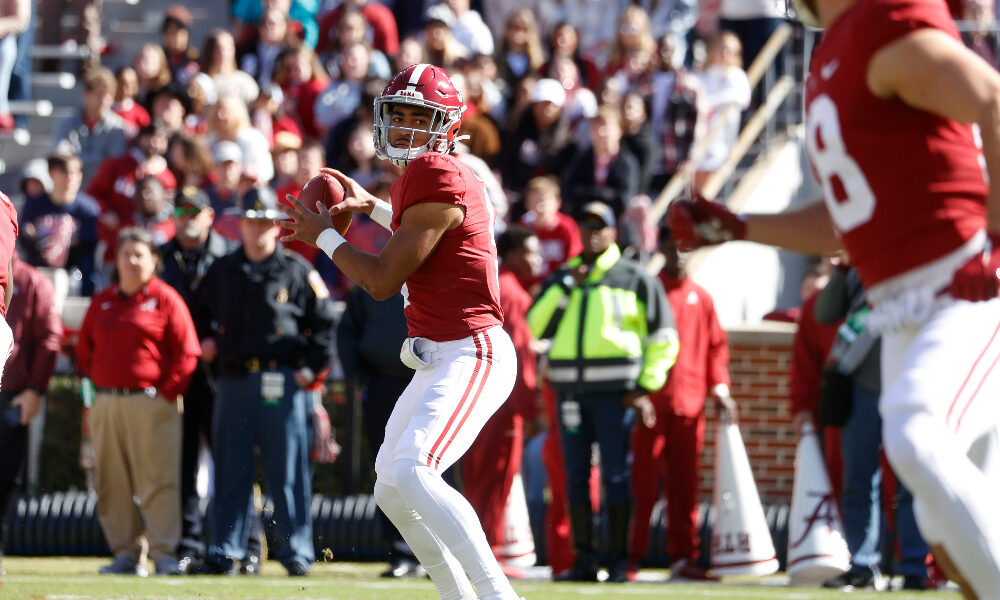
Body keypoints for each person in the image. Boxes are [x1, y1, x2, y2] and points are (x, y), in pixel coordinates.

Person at [667, 0, 1000, 593]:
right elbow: (850, 220)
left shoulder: (881, 19)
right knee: (942, 514)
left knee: (916, 433)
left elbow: (993, 99)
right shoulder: (832, 54)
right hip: (902, 305)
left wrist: (995, 241)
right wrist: (740, 226)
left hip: (964, 281)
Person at [278, 63, 522, 600]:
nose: (408, 127)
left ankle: (495, 594)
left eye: (421, 117)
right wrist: (375, 206)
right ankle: (458, 595)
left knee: (414, 469)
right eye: (400, 115)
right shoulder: (430, 178)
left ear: (448, 124)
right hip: (442, 355)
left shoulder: (436, 173)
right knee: (390, 484)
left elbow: (384, 281)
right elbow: (427, 229)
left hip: (472, 351)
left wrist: (324, 238)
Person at [526, 201, 678, 583]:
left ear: (613, 232)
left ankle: (618, 560)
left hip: (617, 396)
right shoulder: (564, 276)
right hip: (571, 394)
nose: (592, 232)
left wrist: (645, 386)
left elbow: (664, 338)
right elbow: (533, 325)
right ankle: (584, 560)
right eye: (586, 225)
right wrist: (565, 286)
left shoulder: (634, 277)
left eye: (600, 226)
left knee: (616, 477)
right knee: (575, 476)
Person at [194, 186, 336, 577]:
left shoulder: (297, 271)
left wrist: (310, 370)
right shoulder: (221, 271)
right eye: (250, 222)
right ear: (240, 224)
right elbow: (198, 312)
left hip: (284, 383)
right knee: (230, 471)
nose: (257, 229)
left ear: (276, 225)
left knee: (287, 474)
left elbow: (323, 324)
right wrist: (205, 338)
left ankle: (296, 554)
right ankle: (224, 552)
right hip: (234, 381)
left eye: (263, 222)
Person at [75, 227, 201, 577]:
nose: (131, 261)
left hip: (152, 402)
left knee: (157, 479)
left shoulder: (166, 299)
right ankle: (126, 554)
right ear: (115, 260)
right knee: (111, 481)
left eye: (139, 254)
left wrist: (165, 393)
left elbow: (187, 352)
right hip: (107, 402)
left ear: (154, 261)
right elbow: (84, 351)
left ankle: (163, 554)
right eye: (125, 254)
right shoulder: (102, 302)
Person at [814, 262, 931, 590]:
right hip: (862, 385)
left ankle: (915, 567)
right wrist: (841, 271)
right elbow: (824, 313)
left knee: (913, 482)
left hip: (910, 381)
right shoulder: (857, 266)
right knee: (859, 481)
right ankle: (863, 564)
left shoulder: (919, 258)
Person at [627, 224, 734, 582]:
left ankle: (685, 558)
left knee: (685, 489)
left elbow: (717, 347)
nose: (682, 255)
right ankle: (630, 558)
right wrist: (636, 392)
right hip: (650, 407)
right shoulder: (647, 290)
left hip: (689, 408)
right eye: (676, 248)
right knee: (641, 486)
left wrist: (719, 387)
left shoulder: (701, 297)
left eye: (688, 248)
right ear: (665, 249)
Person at [157, 186, 238, 574]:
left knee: (231, 463)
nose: (187, 216)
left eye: (194, 210)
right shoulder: (160, 256)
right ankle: (188, 545)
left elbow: (243, 314)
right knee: (183, 463)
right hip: (177, 375)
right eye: (181, 210)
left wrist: (216, 341)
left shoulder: (229, 256)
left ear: (209, 214)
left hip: (221, 373)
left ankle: (241, 546)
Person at [462, 226, 542, 577]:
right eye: (531, 251)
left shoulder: (496, 282)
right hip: (501, 402)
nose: (537, 259)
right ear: (511, 253)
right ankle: (487, 555)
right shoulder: (513, 293)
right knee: (495, 479)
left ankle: (478, 552)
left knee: (478, 477)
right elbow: (519, 354)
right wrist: (530, 408)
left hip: (477, 393)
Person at [336, 285, 421, 578]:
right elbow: (347, 331)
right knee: (388, 471)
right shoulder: (374, 278)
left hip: (428, 381)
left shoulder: (437, 273)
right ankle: (402, 554)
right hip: (382, 384)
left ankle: (443, 550)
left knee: (432, 468)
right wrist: (355, 375)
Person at [0, 253, 62, 575]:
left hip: (11, 394)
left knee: (4, 478)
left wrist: (35, 390)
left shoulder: (32, 281)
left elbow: (50, 337)